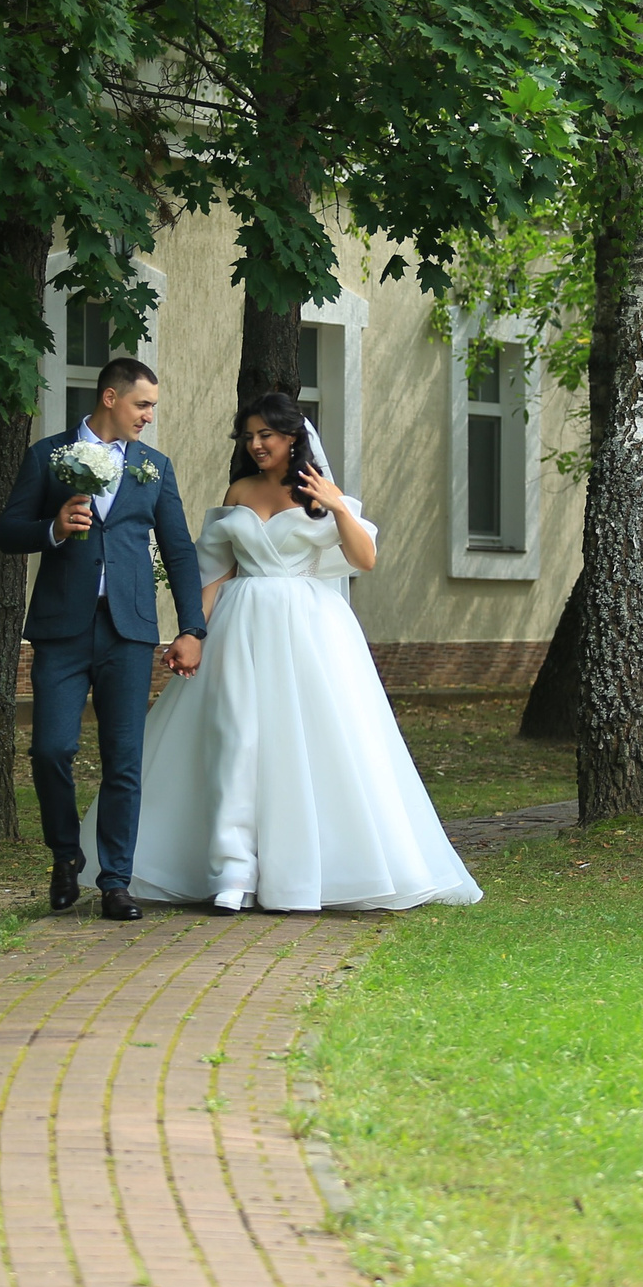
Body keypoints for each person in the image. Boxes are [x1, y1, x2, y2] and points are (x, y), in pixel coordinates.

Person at [123, 391, 482, 913]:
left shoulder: (321, 492)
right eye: (248, 436)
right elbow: (219, 572)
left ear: (292, 437)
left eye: (265, 435)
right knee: (234, 741)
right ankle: (232, 873)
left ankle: (300, 874)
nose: (256, 444)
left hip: (308, 630)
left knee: (307, 744)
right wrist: (190, 632)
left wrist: (337, 507)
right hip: (239, 625)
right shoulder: (239, 489)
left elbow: (365, 559)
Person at [0, 357, 207, 921]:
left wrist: (192, 628)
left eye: (153, 408)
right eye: (143, 405)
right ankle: (66, 855)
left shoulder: (154, 467)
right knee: (51, 750)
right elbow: (6, 530)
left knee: (124, 761)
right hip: (62, 628)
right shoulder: (49, 456)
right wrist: (53, 528)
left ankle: (115, 880)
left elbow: (179, 550)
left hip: (129, 631)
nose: (148, 417)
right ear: (110, 398)